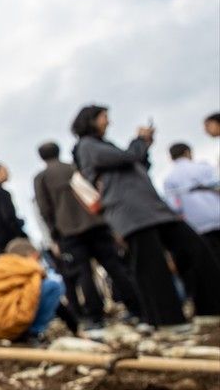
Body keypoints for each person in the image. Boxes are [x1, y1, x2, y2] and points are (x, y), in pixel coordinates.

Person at [71, 105, 220, 328]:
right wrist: (139, 140)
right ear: (90, 120)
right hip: (131, 214)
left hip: (153, 209)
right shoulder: (86, 146)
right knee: (152, 268)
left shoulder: (103, 145)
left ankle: (210, 309)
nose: (108, 122)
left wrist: (144, 146)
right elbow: (127, 157)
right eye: (103, 117)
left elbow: (137, 162)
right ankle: (167, 322)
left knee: (195, 250)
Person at [33, 141, 141, 329]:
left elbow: (45, 209)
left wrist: (55, 235)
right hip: (96, 224)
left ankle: (96, 316)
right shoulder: (73, 168)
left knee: (83, 273)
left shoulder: (42, 178)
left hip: (69, 231)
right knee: (114, 266)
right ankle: (137, 307)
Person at [0, 238, 64, 345]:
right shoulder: (29, 269)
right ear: (35, 255)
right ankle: (32, 333)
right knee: (53, 286)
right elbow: (31, 301)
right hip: (8, 327)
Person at [164, 142, 220, 256]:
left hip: (196, 226)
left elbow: (174, 207)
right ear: (188, 152)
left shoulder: (169, 180)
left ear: (171, 157)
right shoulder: (204, 167)